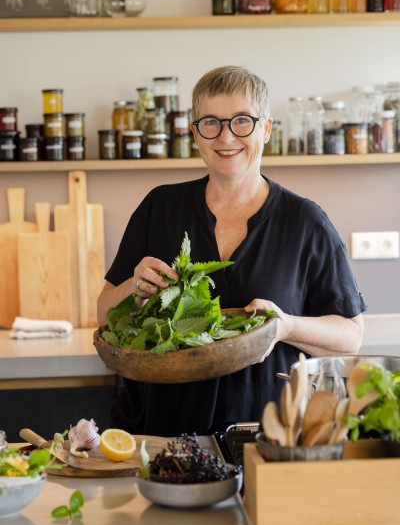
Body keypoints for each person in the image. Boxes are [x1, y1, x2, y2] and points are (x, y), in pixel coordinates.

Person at [97, 65, 366, 437]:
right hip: (158, 432)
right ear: (195, 133)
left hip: (264, 434)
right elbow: (104, 311)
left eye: (242, 121)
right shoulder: (159, 207)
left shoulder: (305, 222)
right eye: (211, 123)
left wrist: (285, 325)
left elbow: (351, 336)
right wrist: (133, 289)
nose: (226, 137)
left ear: (267, 128)